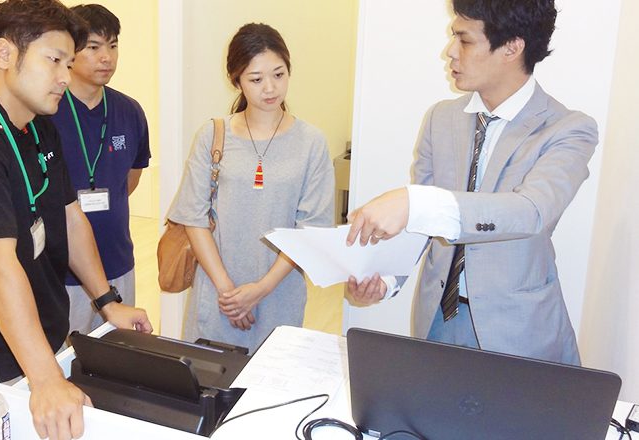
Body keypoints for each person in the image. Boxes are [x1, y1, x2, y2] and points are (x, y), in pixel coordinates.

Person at [0, 1, 152, 439]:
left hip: (45, 344)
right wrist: (46, 380)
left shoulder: (38, 128)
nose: (65, 76)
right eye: (54, 60)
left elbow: (71, 217)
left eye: (68, 63)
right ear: (5, 54)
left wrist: (107, 301)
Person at [346, 0, 597, 365]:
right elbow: (422, 227)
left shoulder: (567, 129)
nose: (449, 52)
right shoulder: (441, 118)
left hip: (519, 334)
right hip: (438, 323)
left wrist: (414, 202)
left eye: (464, 40)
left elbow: (532, 212)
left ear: (512, 46)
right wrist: (385, 279)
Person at [167, 23, 334, 352]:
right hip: (217, 295)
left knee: (271, 376)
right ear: (237, 80)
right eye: (256, 79)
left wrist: (260, 290)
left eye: (279, 74)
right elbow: (193, 217)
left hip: (279, 295)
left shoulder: (311, 142)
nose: (270, 88)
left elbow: (310, 229)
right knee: (208, 376)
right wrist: (228, 292)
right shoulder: (212, 135)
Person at [51, 4, 150, 336]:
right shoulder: (47, 111)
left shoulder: (129, 111)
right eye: (93, 47)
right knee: (63, 357)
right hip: (62, 272)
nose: (106, 57)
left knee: (117, 354)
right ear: (70, 52)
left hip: (118, 261)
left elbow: (131, 178)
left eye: (113, 45)